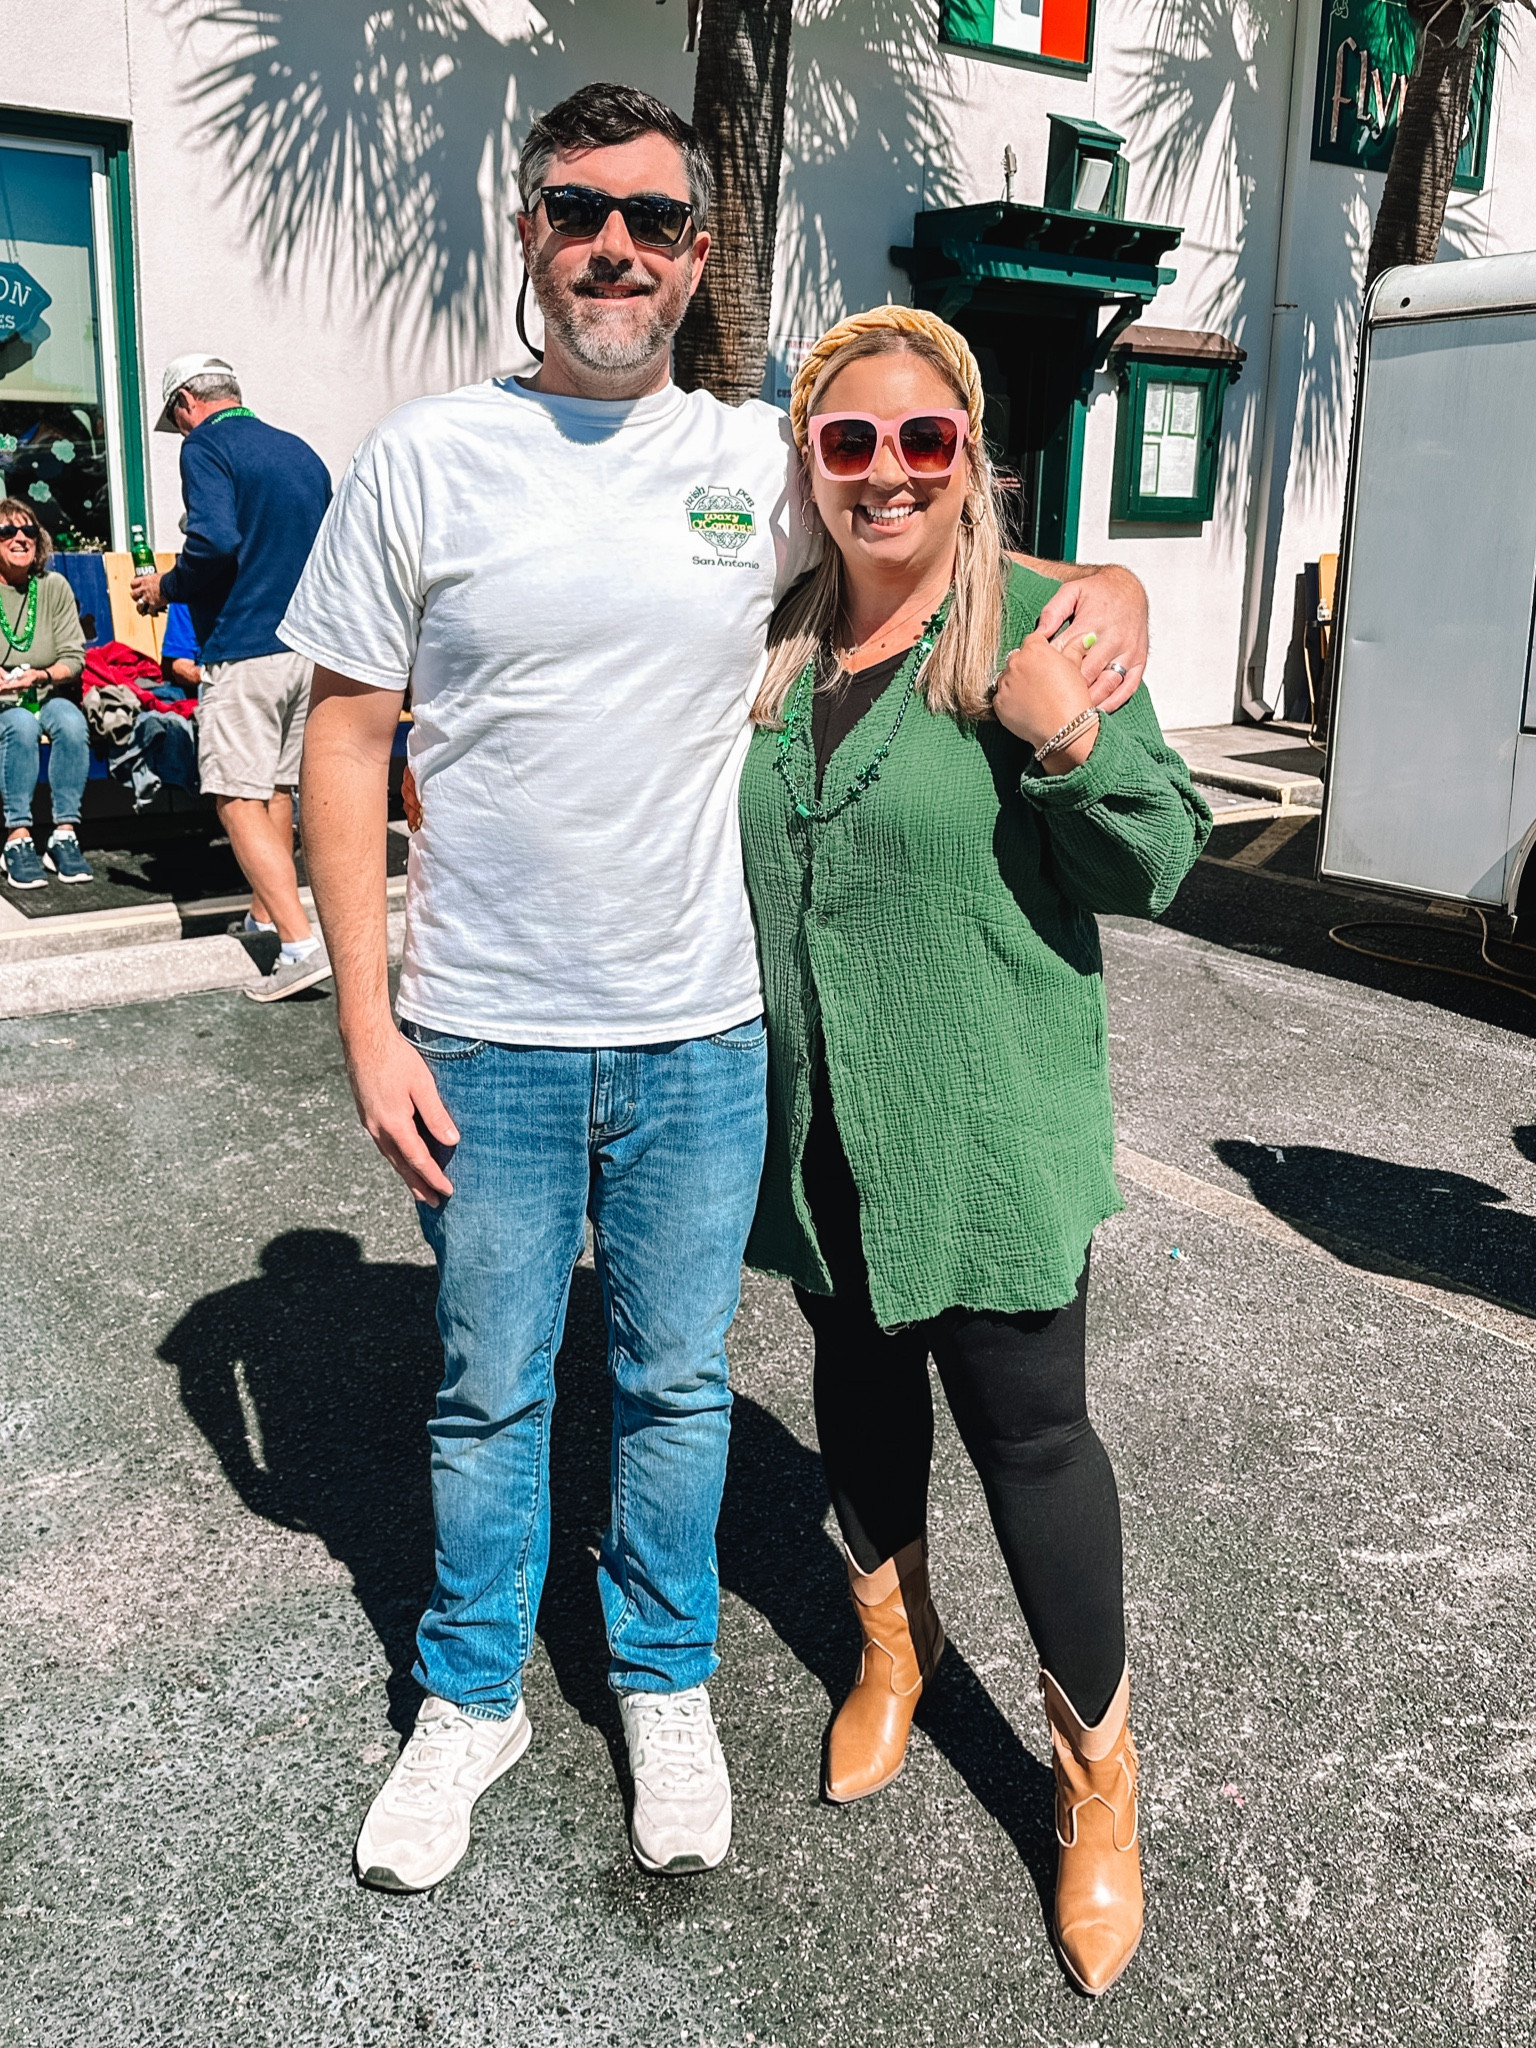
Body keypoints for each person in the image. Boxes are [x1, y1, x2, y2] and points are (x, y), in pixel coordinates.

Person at [285, 81, 1150, 1896]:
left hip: (699, 1032)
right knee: (485, 1391)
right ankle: (472, 1696)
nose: (615, 245)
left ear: (696, 258)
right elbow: (349, 736)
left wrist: (1116, 585)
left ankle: (663, 1677)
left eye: (656, 222)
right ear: (527, 228)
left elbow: (934, 529)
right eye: (578, 210)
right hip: (488, 1032)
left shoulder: (762, 456)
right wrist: (366, 1017)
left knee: (677, 1385)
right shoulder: (426, 455)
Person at [737, 305, 1211, 1996]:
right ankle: (896, 1650)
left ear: (970, 460)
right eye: (848, 441)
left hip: (989, 1133)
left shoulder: (1033, 625)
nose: (883, 472)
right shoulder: (780, 641)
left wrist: (1066, 735)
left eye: (921, 442)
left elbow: (1159, 858)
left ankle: (1095, 1785)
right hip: (823, 1137)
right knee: (856, 1401)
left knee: (1033, 1448)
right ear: (807, 459)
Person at [130, 353, 332, 999]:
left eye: (177, 418)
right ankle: (267, 915)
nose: (181, 432)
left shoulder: (208, 446)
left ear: (189, 399)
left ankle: (299, 945)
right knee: (273, 789)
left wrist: (166, 586)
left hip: (244, 647)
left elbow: (213, 543)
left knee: (235, 794)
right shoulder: (298, 450)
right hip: (309, 646)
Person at [0, 501, 92, 888]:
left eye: (28, 532)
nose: (20, 538)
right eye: (7, 532)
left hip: (46, 691)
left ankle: (63, 835)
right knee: (20, 725)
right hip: (4, 704)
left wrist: (40, 674)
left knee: (71, 722)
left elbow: (74, 657)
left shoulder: (53, 587)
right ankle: (17, 838)